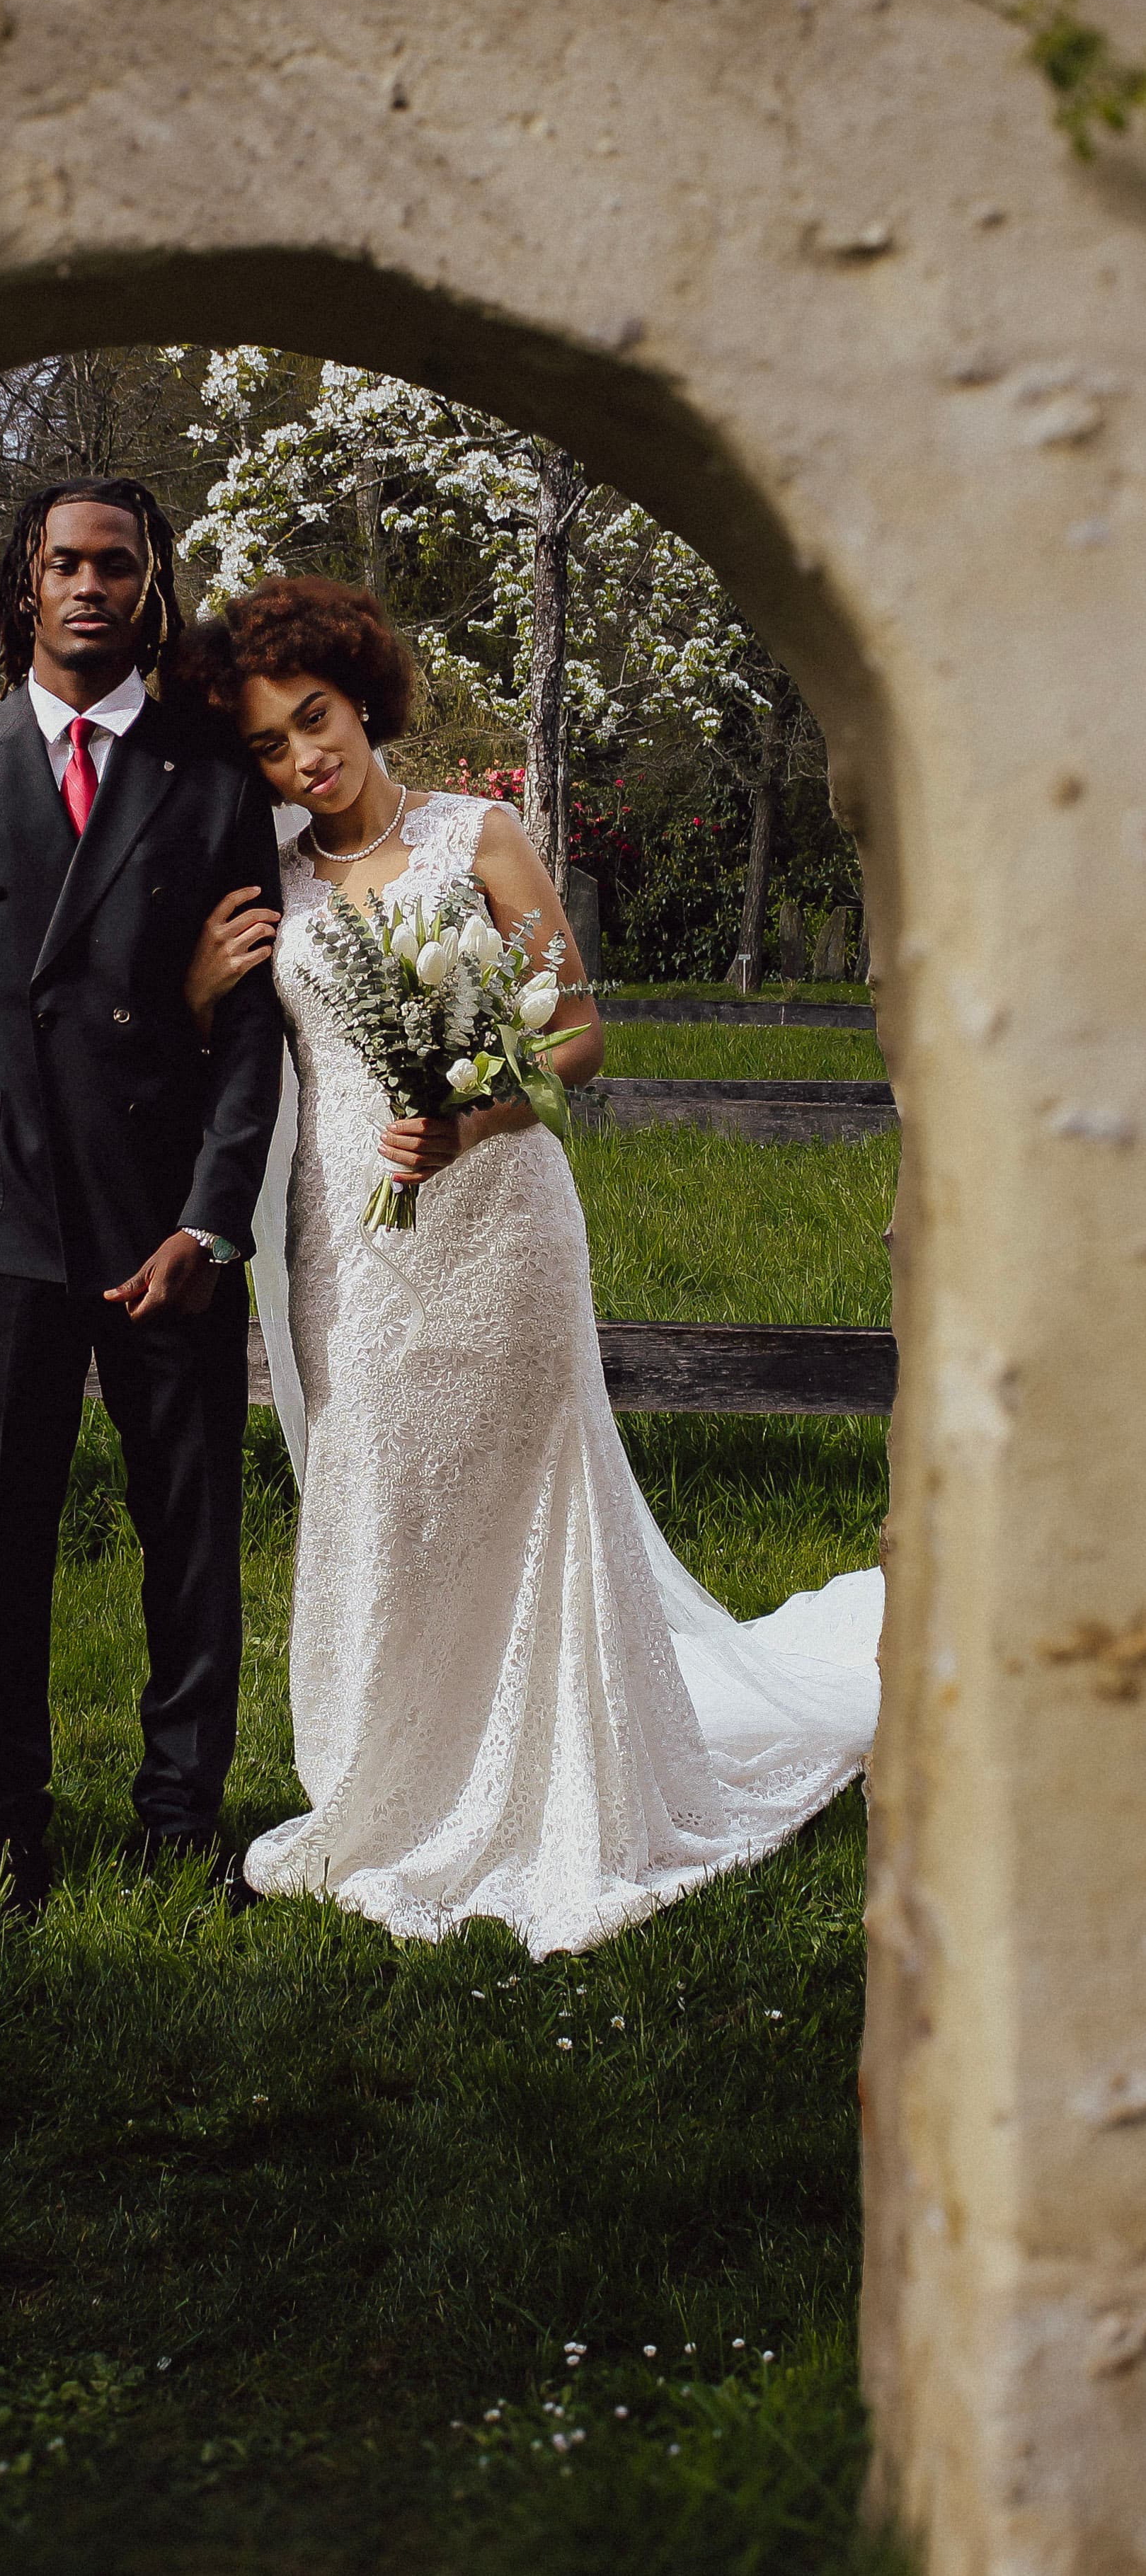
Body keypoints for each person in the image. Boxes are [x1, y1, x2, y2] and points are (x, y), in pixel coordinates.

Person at [171, 576, 881, 1957]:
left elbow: (577, 1035)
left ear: (357, 694)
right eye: (268, 744)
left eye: (313, 720)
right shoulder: (263, 866)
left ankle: (556, 1778)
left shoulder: (473, 833)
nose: (304, 758)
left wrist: (469, 1110)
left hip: (499, 1218)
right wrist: (203, 989)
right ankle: (397, 1786)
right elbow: (219, 1053)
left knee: (521, 1494)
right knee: (382, 1483)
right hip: (349, 1237)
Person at [0, 481, 283, 1917]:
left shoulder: (213, 779)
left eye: (115, 565)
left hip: (164, 1222)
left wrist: (210, 1222)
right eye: (63, 564)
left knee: (191, 1538)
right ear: (24, 587)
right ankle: (4, 1828)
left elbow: (252, 1039)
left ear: (147, 588)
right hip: (2, 1219)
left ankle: (180, 1817)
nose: (89, 587)